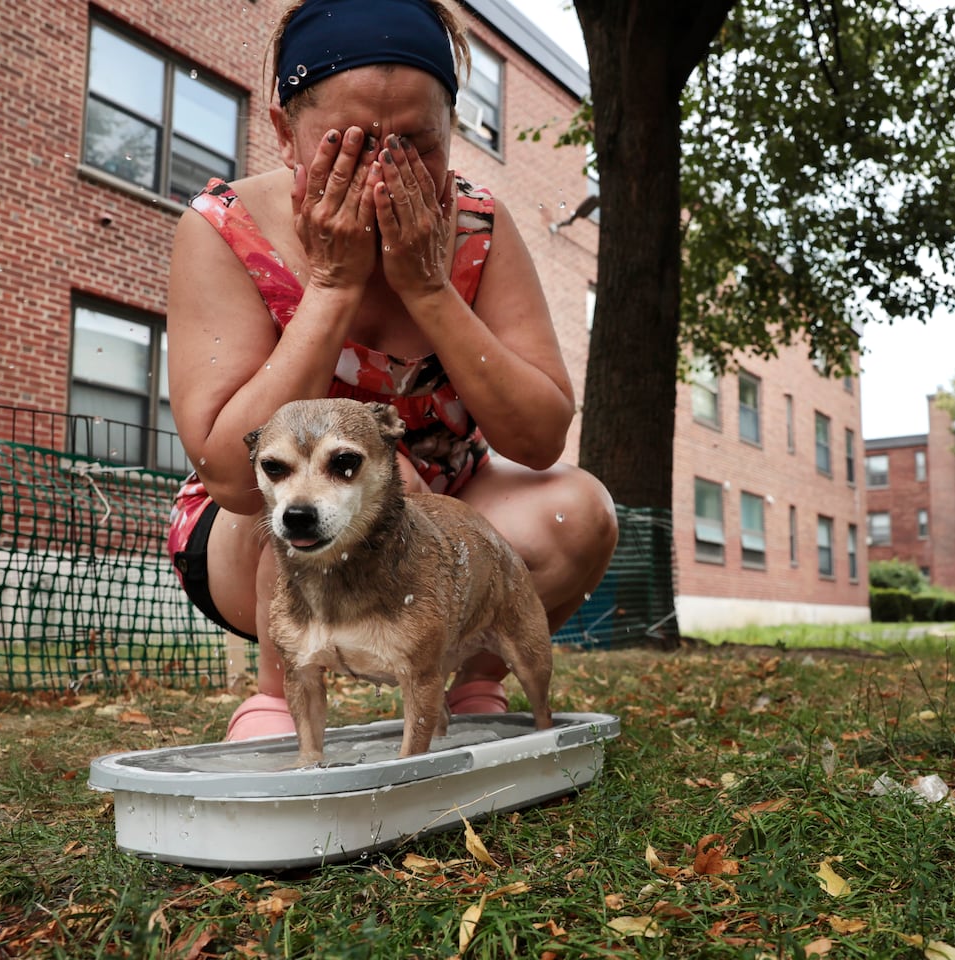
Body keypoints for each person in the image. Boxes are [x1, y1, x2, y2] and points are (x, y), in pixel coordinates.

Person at [165, 0, 618, 740]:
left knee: (579, 512)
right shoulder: (223, 228)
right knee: (332, 488)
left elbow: (539, 437)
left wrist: (431, 290)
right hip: (256, 536)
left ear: (452, 130)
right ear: (283, 131)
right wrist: (332, 287)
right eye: (349, 145)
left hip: (446, 513)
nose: (383, 172)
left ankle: (474, 678)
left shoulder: (481, 226)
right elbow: (227, 472)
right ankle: (277, 699)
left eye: (416, 144)